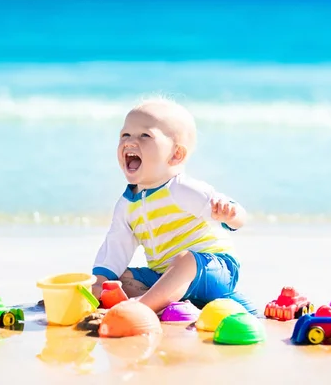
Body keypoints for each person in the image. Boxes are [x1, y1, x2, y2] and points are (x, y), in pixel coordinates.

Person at [91, 97, 256, 315]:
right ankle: (163, 301)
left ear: (176, 154)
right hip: (165, 276)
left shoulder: (181, 189)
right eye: (125, 134)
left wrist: (230, 215)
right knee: (118, 280)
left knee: (185, 260)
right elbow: (115, 248)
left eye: (145, 135)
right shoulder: (126, 206)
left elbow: (238, 217)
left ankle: (142, 307)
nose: (130, 142)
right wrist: (99, 283)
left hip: (214, 269)